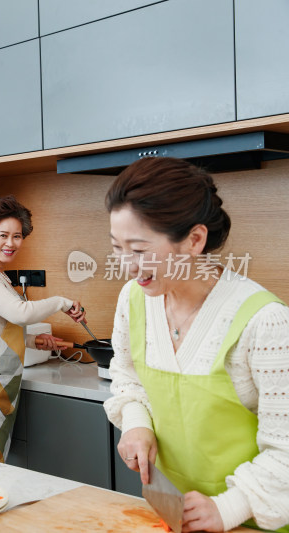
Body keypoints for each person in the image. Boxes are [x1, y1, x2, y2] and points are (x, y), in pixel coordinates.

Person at [103, 157, 289, 532]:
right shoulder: (133, 299)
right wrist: (137, 424)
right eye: (117, 248)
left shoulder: (264, 321)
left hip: (254, 522)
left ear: (194, 240)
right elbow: (127, 377)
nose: (126, 265)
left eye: (138, 250)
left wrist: (228, 507)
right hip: (175, 518)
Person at [0, 195, 85, 462]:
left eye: (17, 236)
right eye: (3, 235)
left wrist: (33, 341)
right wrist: (61, 301)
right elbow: (20, 313)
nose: (11, 243)